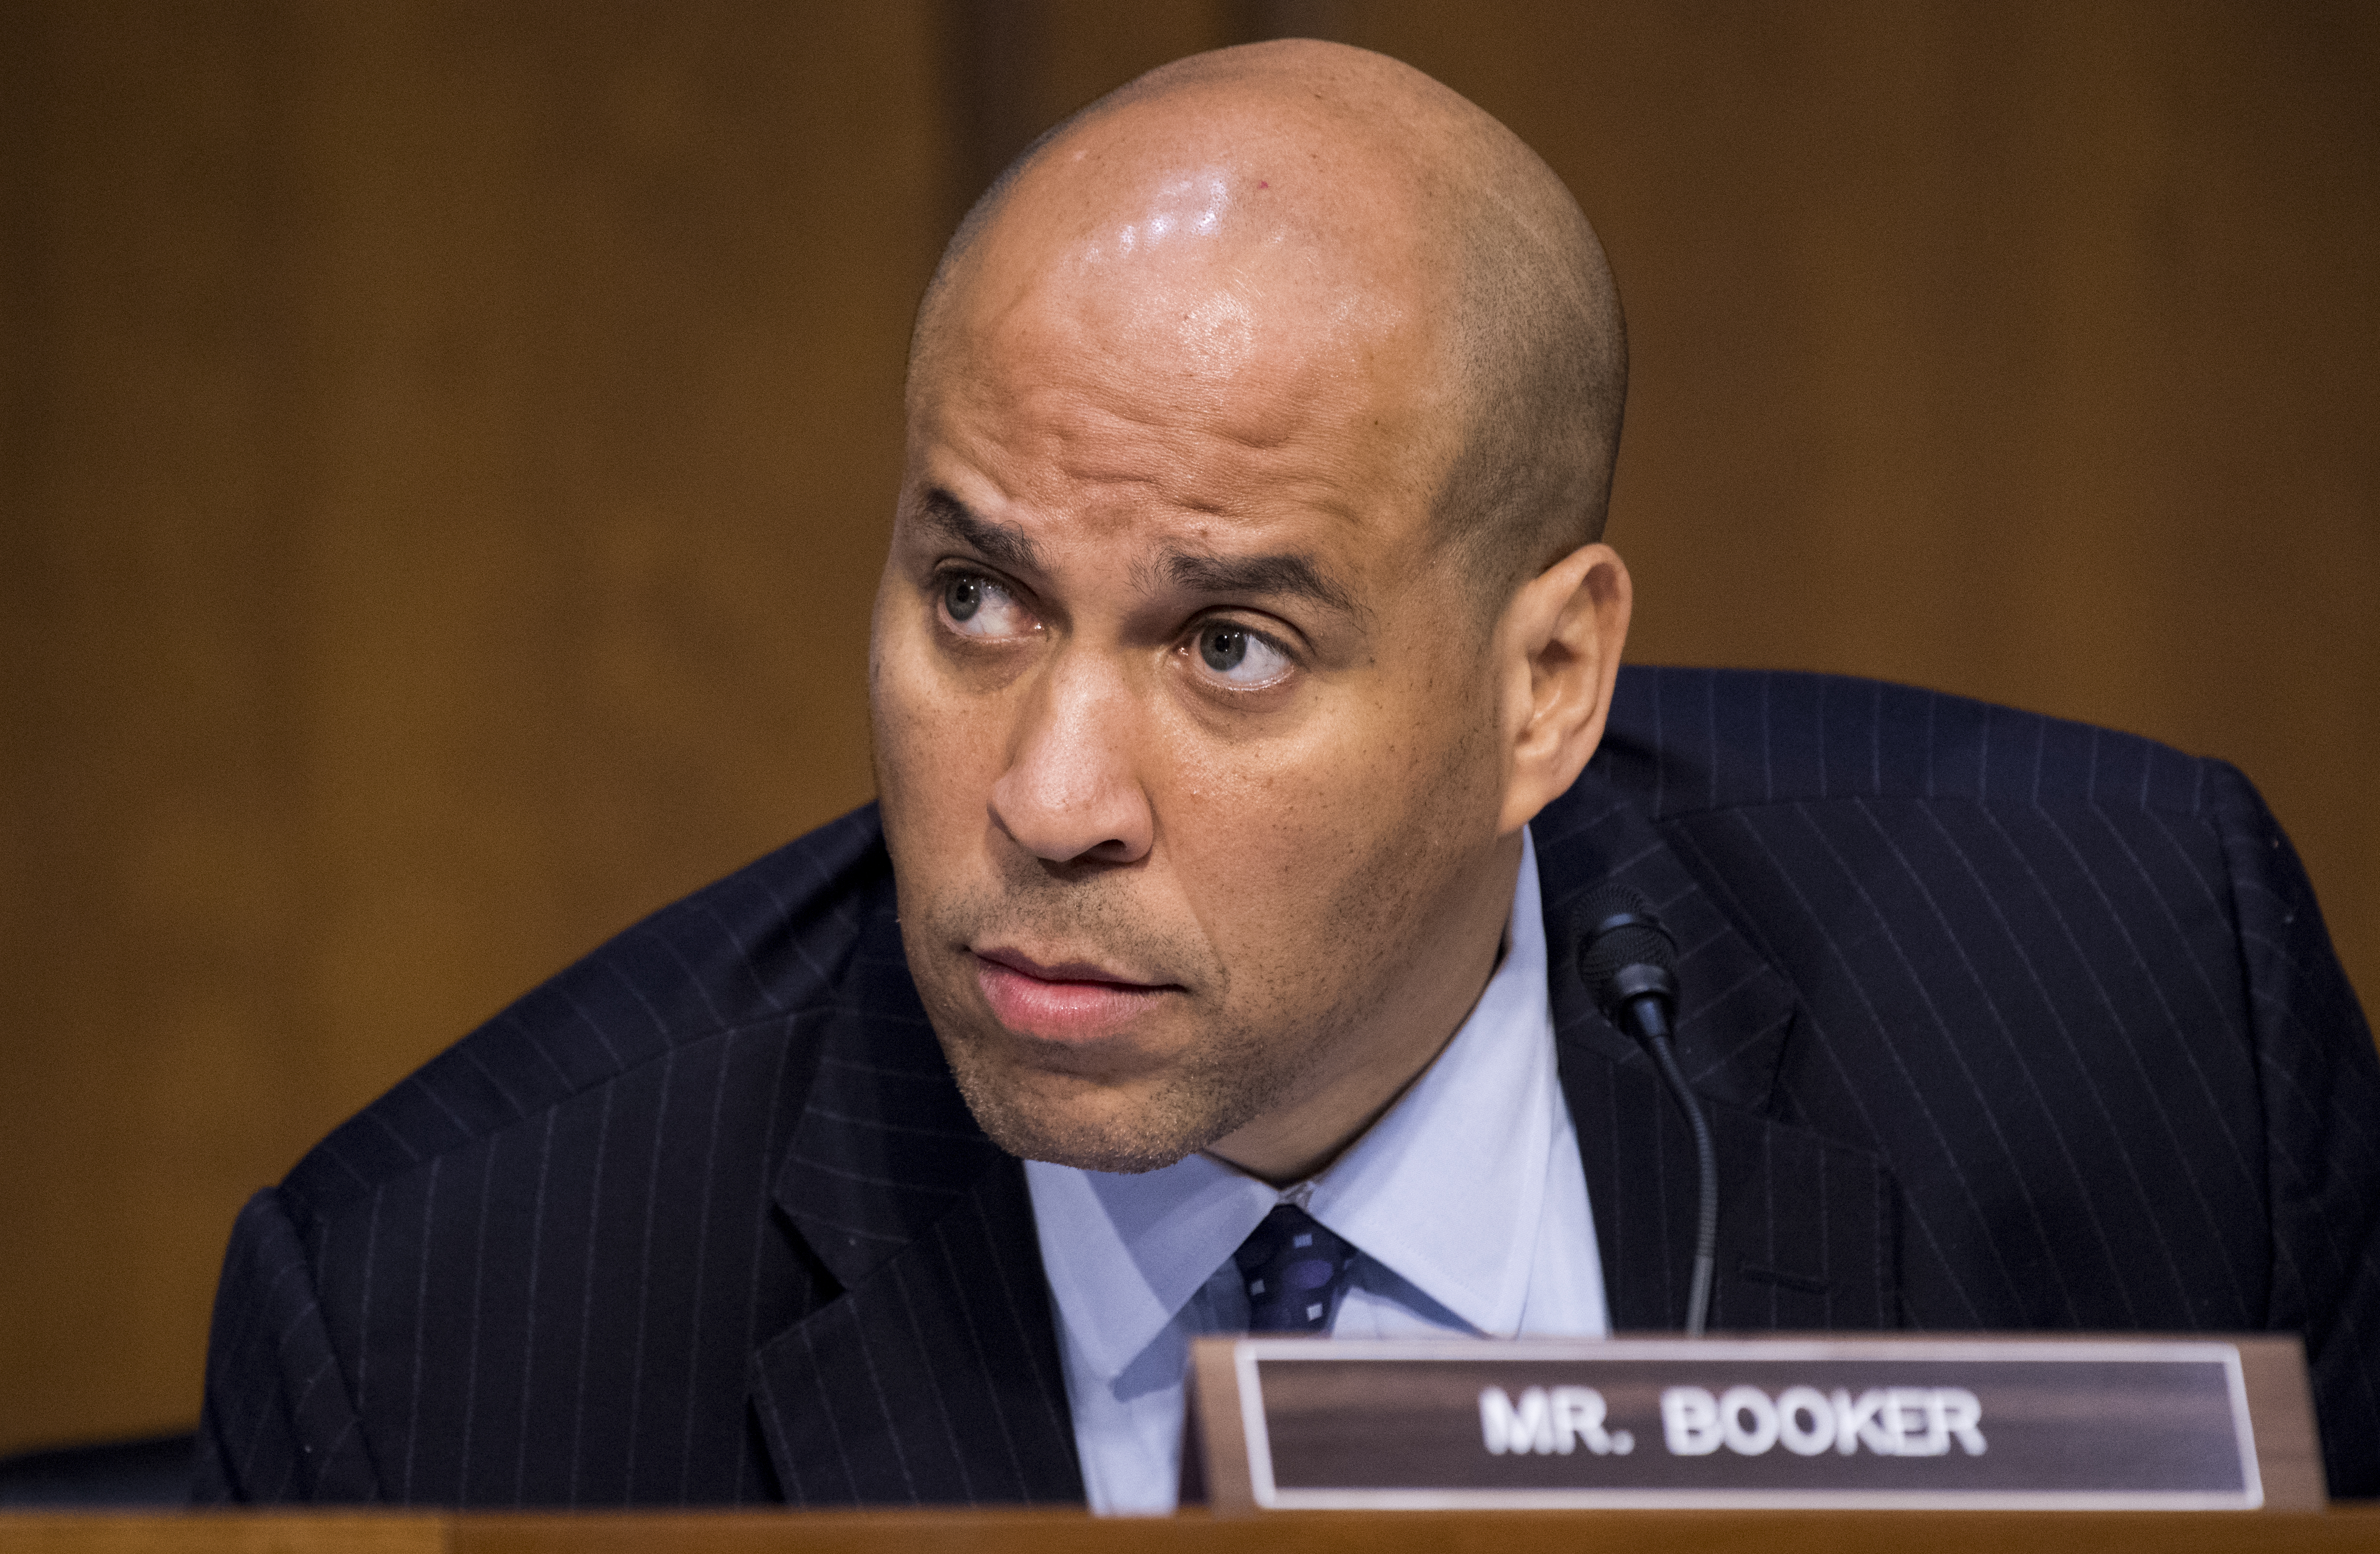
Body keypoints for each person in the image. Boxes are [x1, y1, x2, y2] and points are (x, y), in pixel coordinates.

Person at [195, 40, 2380, 1509]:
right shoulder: (449, 1332)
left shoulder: (2132, 1007)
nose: (1047, 797)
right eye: (976, 597)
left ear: (1544, 686)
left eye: (1228, 646)